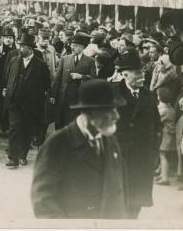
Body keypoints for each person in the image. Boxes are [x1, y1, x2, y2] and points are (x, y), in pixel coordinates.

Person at [31, 79, 127, 219]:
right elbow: (43, 202)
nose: (116, 116)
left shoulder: (110, 139)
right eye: (110, 110)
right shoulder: (57, 144)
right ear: (91, 113)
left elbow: (120, 189)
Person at [112, 49, 162, 219]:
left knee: (137, 202)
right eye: (137, 73)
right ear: (124, 74)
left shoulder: (149, 96)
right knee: (118, 201)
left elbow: (157, 126)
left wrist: (154, 152)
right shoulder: (112, 93)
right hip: (119, 156)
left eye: (143, 72)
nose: (142, 76)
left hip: (143, 157)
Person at [4, 33, 51, 167]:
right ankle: (12, 157)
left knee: (27, 130)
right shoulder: (14, 61)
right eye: (20, 46)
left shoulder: (40, 65)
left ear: (30, 49)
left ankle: (23, 155)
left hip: (31, 104)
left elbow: (46, 83)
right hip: (14, 102)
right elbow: (8, 78)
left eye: (23, 46)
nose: (20, 49)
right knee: (14, 129)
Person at [50, 32, 96, 129]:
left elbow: (94, 78)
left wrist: (81, 77)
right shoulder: (65, 59)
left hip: (78, 98)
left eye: (75, 46)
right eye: (72, 45)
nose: (72, 48)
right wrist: (53, 95)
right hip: (63, 97)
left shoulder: (90, 61)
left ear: (83, 47)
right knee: (60, 123)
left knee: (74, 124)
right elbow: (57, 78)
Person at [154, 87, 176, 186]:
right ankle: (163, 174)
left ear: (160, 97)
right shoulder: (170, 108)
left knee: (163, 156)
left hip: (165, 136)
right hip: (168, 136)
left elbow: (157, 121)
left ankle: (165, 178)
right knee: (163, 156)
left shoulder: (163, 110)